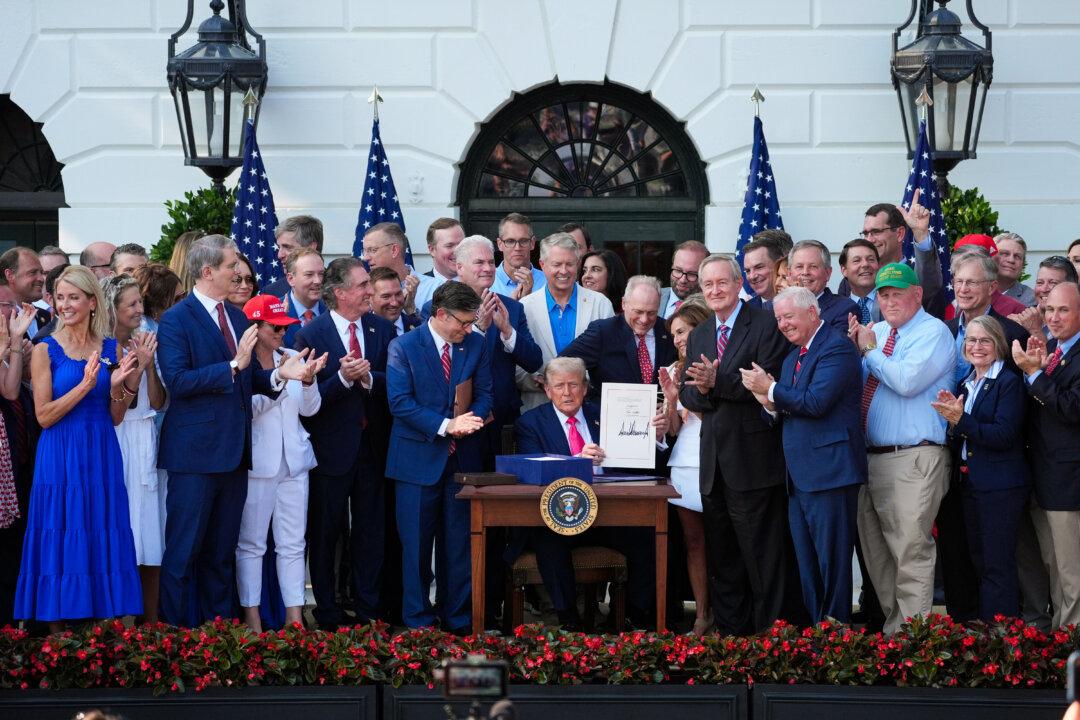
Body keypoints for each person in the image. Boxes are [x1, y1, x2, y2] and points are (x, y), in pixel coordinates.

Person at [156, 234, 314, 626]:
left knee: (221, 552)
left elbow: (248, 379)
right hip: (194, 456)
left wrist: (280, 373)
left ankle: (219, 640)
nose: (238, 276)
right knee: (183, 552)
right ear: (208, 271)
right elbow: (177, 381)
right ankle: (174, 639)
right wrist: (233, 365)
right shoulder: (176, 318)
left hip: (234, 454)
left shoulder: (236, 315)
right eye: (231, 268)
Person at [15, 266, 143, 629]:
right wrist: (85, 385)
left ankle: (104, 622)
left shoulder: (109, 347)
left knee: (100, 527)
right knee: (62, 527)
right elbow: (44, 415)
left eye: (74, 297)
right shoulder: (45, 350)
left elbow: (116, 414)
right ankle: (58, 632)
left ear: (91, 302)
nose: (66, 305)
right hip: (60, 455)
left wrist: (127, 381)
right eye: (60, 298)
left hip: (101, 450)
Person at [678, 254, 792, 635]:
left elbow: (763, 384)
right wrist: (707, 390)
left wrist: (715, 385)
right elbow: (690, 396)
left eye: (721, 283)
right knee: (723, 557)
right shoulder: (699, 333)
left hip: (754, 463)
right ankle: (731, 637)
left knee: (762, 557)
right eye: (707, 285)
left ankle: (770, 639)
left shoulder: (764, 324)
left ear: (738, 282)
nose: (714, 290)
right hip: (713, 465)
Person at [740, 286, 866, 624]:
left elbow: (815, 402)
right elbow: (787, 407)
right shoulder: (792, 357)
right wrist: (767, 403)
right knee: (807, 564)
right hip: (798, 478)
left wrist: (770, 389)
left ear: (812, 313)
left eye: (788, 317)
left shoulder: (837, 347)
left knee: (833, 562)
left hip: (831, 473)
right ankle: (816, 634)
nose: (782, 324)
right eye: (778, 318)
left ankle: (836, 638)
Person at [515, 356, 666, 630]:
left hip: (608, 512)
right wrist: (576, 460)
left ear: (585, 388)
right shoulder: (531, 423)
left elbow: (632, 455)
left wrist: (655, 436)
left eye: (573, 385)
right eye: (559, 386)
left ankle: (630, 619)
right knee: (548, 541)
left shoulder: (606, 414)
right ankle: (568, 622)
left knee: (647, 536)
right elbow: (532, 471)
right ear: (547, 390)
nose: (567, 392)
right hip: (560, 515)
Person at [848, 262, 955, 634]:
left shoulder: (933, 332)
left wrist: (869, 353)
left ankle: (915, 643)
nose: (889, 300)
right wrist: (860, 349)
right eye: (883, 294)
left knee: (910, 550)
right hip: (870, 457)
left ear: (917, 294)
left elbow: (906, 380)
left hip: (914, 457)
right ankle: (896, 637)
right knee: (878, 556)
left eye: (897, 293)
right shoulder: (874, 331)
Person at [386, 281, 493, 633]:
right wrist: (448, 425)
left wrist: (472, 420)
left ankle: (458, 621)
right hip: (416, 463)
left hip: (462, 463)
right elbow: (400, 403)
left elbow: (486, 395)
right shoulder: (403, 346)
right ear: (441, 314)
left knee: (459, 547)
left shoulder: (476, 344)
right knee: (416, 549)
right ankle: (418, 624)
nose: (468, 328)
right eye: (463, 322)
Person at [294, 258, 395, 628]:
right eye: (363, 285)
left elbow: (398, 381)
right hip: (329, 453)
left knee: (371, 534)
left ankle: (369, 613)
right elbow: (305, 399)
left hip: (374, 450)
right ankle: (328, 613)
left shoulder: (383, 330)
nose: (371, 291)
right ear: (339, 293)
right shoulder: (311, 334)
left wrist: (367, 379)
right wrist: (340, 378)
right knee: (325, 535)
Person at [236, 294, 327, 632]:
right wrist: (279, 378)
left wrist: (306, 380)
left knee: (293, 543)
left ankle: (294, 616)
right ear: (255, 328)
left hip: (295, 463)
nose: (281, 333)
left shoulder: (291, 356)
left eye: (285, 326)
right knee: (252, 543)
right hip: (259, 462)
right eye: (275, 327)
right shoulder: (242, 362)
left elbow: (310, 409)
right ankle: (252, 616)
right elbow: (251, 409)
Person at [931, 315, 1028, 622]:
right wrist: (952, 419)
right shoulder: (965, 384)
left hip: (1000, 487)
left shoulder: (1008, 383)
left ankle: (1003, 644)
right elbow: (964, 433)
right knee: (979, 562)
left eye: (985, 340)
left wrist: (961, 420)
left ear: (998, 345)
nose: (977, 347)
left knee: (997, 565)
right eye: (971, 340)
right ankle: (984, 640)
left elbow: (1003, 435)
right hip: (970, 485)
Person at [1013, 282, 1080, 628]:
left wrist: (1035, 374)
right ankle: (1061, 640)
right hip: (1041, 477)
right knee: (1054, 566)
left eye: (1063, 310)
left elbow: (1072, 408)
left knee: (1071, 571)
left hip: (1068, 481)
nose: (1053, 317)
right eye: (1049, 309)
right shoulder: (1050, 348)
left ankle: (1072, 649)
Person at [102, 274, 167, 623]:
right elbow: (118, 410)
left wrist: (150, 364)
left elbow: (157, 401)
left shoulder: (146, 342)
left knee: (151, 532)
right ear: (113, 309)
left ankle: (150, 623)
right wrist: (137, 366)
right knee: (121, 527)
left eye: (140, 303)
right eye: (132, 304)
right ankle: (115, 621)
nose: (140, 310)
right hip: (119, 441)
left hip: (146, 440)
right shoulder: (104, 348)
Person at [657, 300, 712, 635]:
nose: (677, 339)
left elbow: (715, 413)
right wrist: (670, 403)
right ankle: (702, 615)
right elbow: (677, 429)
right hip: (685, 464)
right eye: (674, 333)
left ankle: (729, 614)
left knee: (723, 543)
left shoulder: (716, 364)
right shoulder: (673, 370)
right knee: (694, 543)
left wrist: (685, 398)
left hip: (719, 461)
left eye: (682, 331)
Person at [519, 232, 614, 410]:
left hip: (589, 409)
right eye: (557, 264)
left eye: (569, 264)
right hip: (538, 408)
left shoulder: (600, 304)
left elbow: (610, 360)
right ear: (542, 265)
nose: (563, 271)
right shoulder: (524, 307)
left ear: (578, 264)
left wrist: (579, 384)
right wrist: (540, 382)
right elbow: (515, 364)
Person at [561, 275, 676, 402]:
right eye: (638, 311)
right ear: (624, 304)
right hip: (610, 417)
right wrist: (593, 397)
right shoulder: (603, 332)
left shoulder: (668, 330)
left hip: (657, 418)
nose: (644, 319)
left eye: (651, 313)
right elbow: (562, 364)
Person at [848, 195, 945, 318]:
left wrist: (920, 234)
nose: (869, 240)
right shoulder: (854, 279)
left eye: (876, 232)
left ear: (899, 234)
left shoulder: (916, 276)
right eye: (866, 233)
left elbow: (930, 285)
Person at [0, 302, 35, 625]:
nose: (6, 314)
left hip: (6, 460)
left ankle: (10, 636)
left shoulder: (5, 340)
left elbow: (10, 391)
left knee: (10, 546)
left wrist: (12, 345)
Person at [362, 221, 436, 317]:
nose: (365, 257)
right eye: (365, 251)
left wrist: (411, 310)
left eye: (373, 250)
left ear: (394, 250)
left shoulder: (434, 289)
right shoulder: (364, 290)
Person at [787, 240, 859, 335]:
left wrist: (802, 301)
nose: (805, 272)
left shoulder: (845, 308)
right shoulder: (772, 307)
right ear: (789, 273)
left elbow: (831, 347)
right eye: (799, 267)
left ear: (828, 273)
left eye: (813, 266)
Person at [1010, 256, 1079, 344]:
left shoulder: (1075, 322)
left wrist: (1035, 331)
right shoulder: (1024, 317)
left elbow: (1060, 355)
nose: (1044, 289)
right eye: (1040, 283)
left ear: (1071, 287)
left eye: (1053, 283)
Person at [952, 235, 1026, 317]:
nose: (963, 289)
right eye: (959, 281)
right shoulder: (961, 304)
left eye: (972, 282)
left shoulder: (1017, 309)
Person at [263, 215, 323, 298]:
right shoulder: (272, 292)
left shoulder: (340, 288)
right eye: (279, 247)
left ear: (310, 248)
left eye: (287, 247)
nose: (279, 255)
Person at [493, 213, 546, 299]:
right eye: (510, 241)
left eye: (523, 241)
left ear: (532, 243)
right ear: (499, 244)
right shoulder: (487, 281)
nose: (517, 248)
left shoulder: (547, 282)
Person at [0, 247, 49, 338]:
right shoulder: (3, 317)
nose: (41, 279)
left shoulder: (46, 316)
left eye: (41, 272)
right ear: (10, 275)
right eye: (33, 272)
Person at [281, 247, 325, 347]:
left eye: (321, 274)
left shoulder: (333, 311)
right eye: (309, 274)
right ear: (291, 279)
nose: (318, 281)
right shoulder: (275, 312)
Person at [660, 241, 709, 319]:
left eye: (691, 274)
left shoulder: (712, 307)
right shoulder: (653, 297)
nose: (683, 280)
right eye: (678, 271)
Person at [369, 266, 422, 336]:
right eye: (386, 296)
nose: (394, 303)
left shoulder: (417, 326)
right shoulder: (362, 329)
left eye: (398, 294)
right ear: (370, 298)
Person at [741, 233, 789, 309]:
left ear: (779, 264)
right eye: (747, 271)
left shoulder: (806, 303)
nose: (752, 276)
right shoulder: (743, 311)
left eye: (759, 267)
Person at [419, 218, 464, 298]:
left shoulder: (480, 284)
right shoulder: (419, 289)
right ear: (432, 250)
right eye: (449, 245)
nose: (457, 251)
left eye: (461, 244)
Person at [134, 264, 185, 333]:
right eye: (177, 299)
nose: (183, 302)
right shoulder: (143, 334)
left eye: (184, 295)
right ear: (156, 305)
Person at [840, 239, 881, 324]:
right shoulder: (838, 309)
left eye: (871, 259)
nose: (865, 264)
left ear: (878, 266)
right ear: (844, 270)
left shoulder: (893, 302)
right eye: (856, 260)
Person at [995, 232, 1037, 307]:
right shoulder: (977, 291)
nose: (1011, 260)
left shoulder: (1030, 298)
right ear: (991, 257)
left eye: (1017, 256)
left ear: (1023, 263)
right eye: (1005, 254)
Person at [579, 249, 628, 314]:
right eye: (585, 271)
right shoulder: (576, 306)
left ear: (612, 274)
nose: (587, 276)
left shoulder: (627, 310)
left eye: (595, 269)